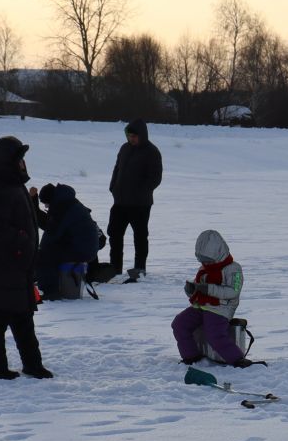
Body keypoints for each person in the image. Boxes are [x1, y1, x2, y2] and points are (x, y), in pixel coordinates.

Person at [0, 136, 53, 379]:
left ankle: (32, 364)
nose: (23, 164)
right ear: (6, 161)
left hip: (17, 264)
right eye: (19, 159)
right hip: (4, 264)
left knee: (23, 316)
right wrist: (21, 240)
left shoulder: (11, 182)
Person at [172, 230, 251, 366]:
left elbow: (233, 291)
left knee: (214, 334)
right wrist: (191, 290)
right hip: (201, 305)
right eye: (202, 261)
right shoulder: (204, 269)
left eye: (208, 260)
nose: (205, 264)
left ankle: (237, 359)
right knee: (180, 324)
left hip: (221, 308)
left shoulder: (234, 269)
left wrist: (208, 289)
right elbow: (199, 291)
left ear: (217, 254)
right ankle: (191, 357)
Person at [106, 119, 163, 281]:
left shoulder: (152, 152)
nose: (131, 139)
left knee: (140, 236)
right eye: (129, 136)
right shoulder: (124, 148)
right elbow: (116, 169)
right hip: (120, 202)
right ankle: (115, 268)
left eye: (134, 136)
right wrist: (113, 187)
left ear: (142, 135)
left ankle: (139, 269)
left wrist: (140, 191)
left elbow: (155, 178)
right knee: (115, 235)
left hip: (140, 204)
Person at [34, 183, 106, 300]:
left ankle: (50, 291)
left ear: (51, 200)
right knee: (50, 253)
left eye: (46, 205)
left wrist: (39, 252)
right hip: (86, 246)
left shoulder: (62, 208)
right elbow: (52, 228)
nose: (47, 208)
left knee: (44, 256)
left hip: (83, 249)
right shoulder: (68, 202)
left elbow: (51, 234)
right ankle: (54, 283)